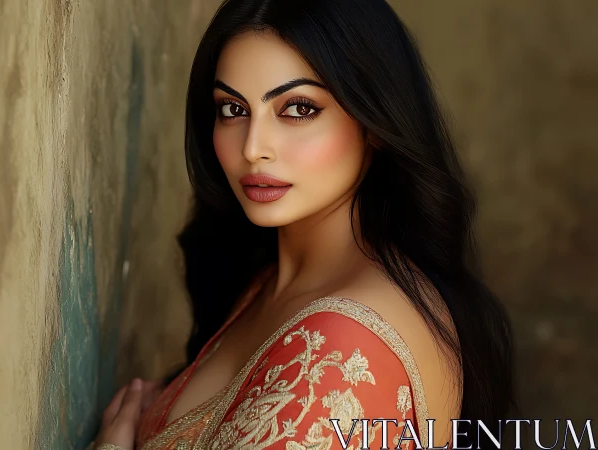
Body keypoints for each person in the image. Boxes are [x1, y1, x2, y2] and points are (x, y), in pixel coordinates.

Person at [94, 0, 515, 448]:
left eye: (298, 109)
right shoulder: (267, 282)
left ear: (372, 120)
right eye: (232, 109)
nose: (254, 147)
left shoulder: (347, 349)